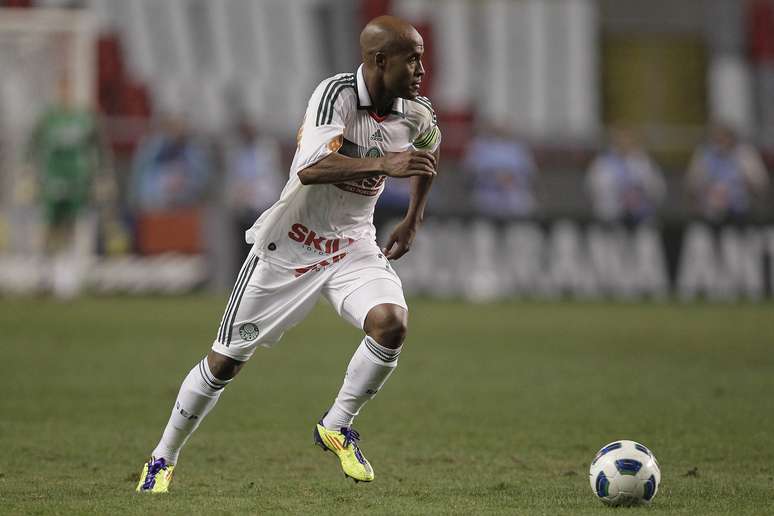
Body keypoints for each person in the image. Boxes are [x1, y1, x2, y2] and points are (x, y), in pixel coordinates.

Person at [136, 15, 441, 492]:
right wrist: (385, 163)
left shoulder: (415, 112)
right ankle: (162, 457)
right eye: (413, 58)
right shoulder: (334, 94)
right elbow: (312, 168)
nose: (423, 68)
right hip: (290, 245)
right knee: (226, 361)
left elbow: (428, 151)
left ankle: (337, 424)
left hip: (352, 245)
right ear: (381, 61)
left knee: (391, 322)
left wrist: (413, 217)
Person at [685, 124, 769, 223]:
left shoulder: (745, 154)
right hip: (709, 211)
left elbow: (760, 183)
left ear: (732, 138)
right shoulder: (704, 154)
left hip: (742, 210)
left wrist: (741, 188)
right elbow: (692, 183)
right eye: (717, 139)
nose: (721, 142)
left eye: (724, 137)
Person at [585, 128, 666, 225]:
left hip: (640, 216)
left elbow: (658, 188)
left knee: (647, 235)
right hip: (609, 216)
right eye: (620, 138)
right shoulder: (602, 162)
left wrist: (639, 193)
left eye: (628, 138)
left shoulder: (643, 161)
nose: (624, 142)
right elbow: (592, 188)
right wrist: (619, 194)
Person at [463, 123, 537, 218]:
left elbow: (529, 174)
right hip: (486, 192)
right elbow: (470, 173)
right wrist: (492, 176)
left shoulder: (518, 148)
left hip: (514, 192)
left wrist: (511, 178)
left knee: (523, 203)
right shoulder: (478, 146)